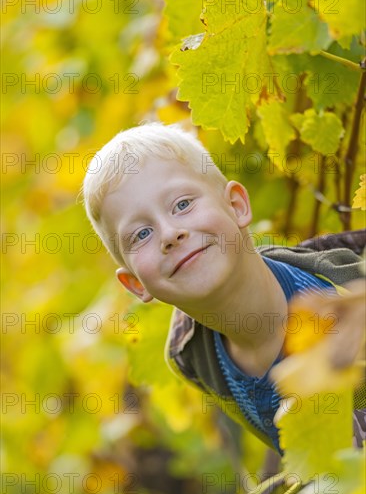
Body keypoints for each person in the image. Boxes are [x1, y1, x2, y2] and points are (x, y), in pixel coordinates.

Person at [83, 122, 365, 454]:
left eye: (183, 204)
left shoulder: (346, 300)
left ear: (237, 206)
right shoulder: (193, 358)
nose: (170, 233)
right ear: (135, 284)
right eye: (141, 234)